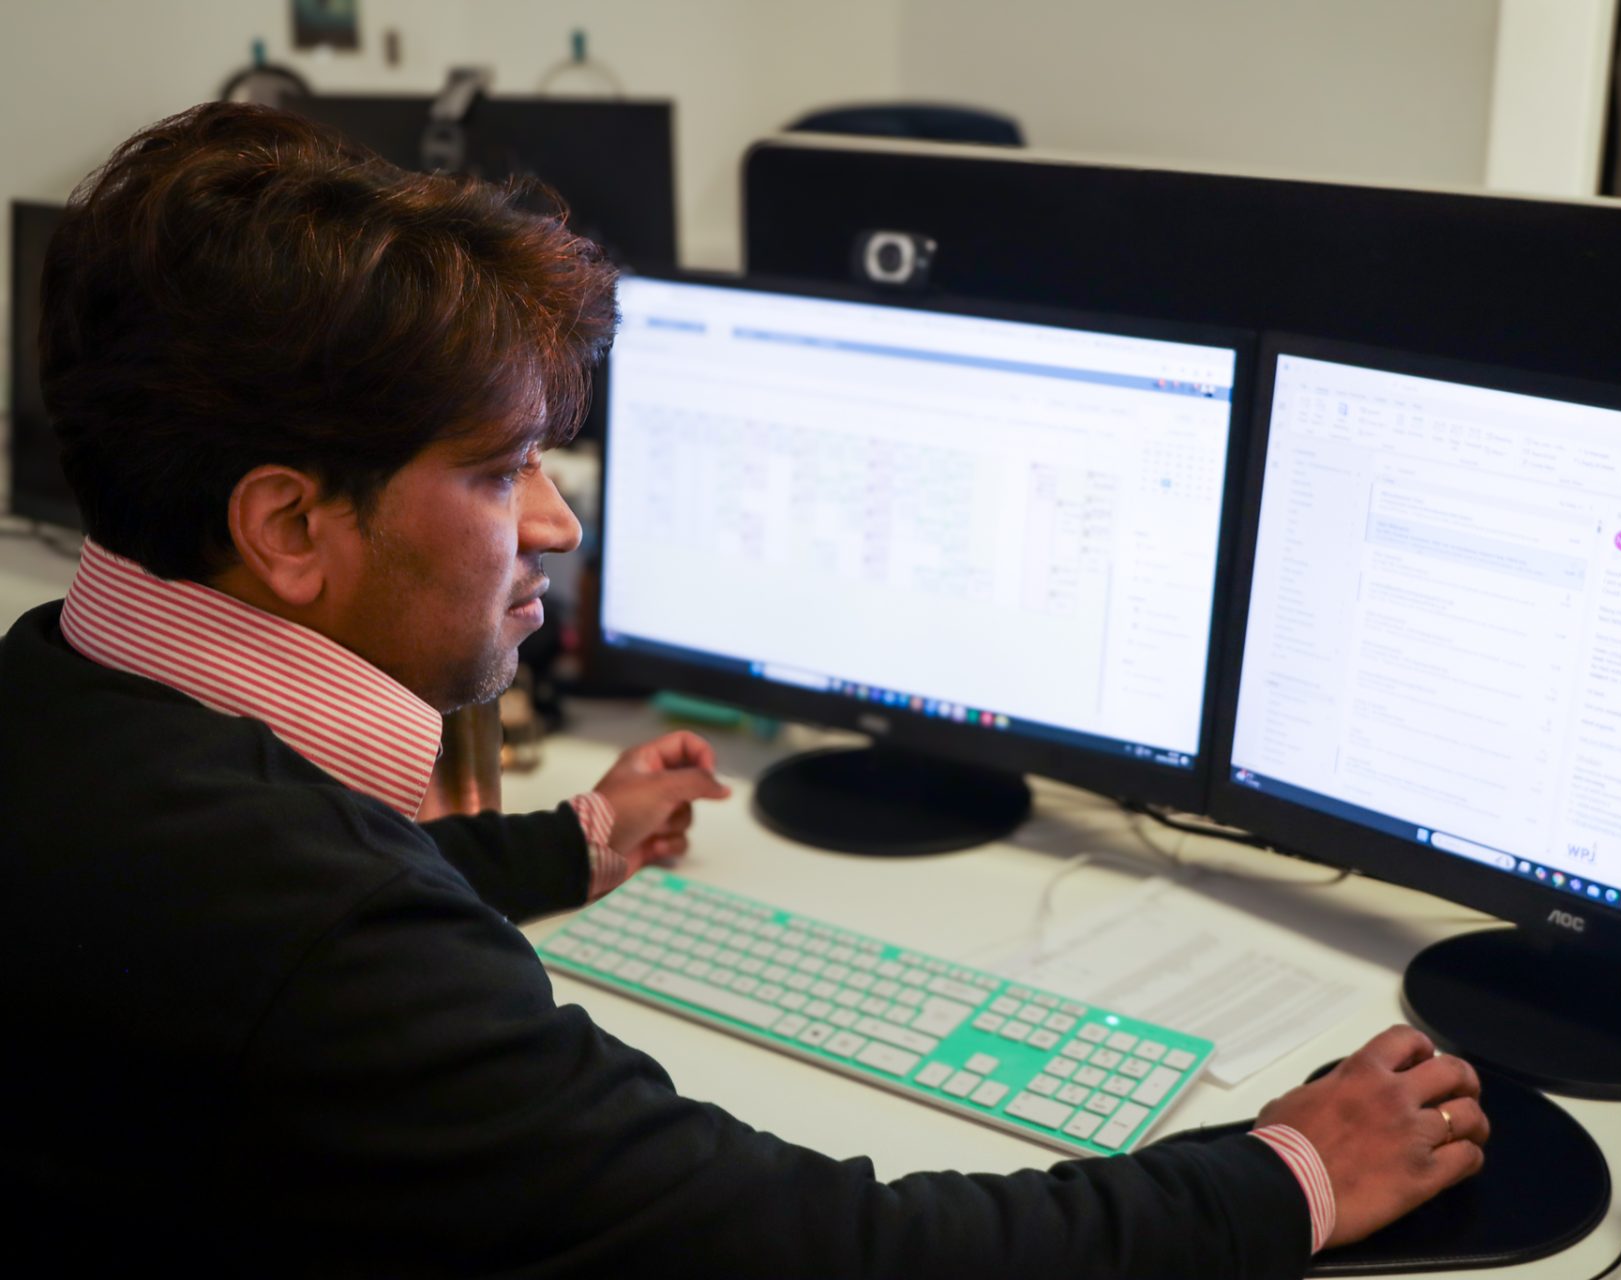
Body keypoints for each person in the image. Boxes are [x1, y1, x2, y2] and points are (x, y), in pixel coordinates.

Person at [0, 103, 1488, 1277]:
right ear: (288, 527)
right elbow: (836, 1253)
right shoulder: (330, 949)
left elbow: (281, 888)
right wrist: (1291, 1173)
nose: (557, 525)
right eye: (499, 470)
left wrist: (568, 844)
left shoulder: (65, 696)